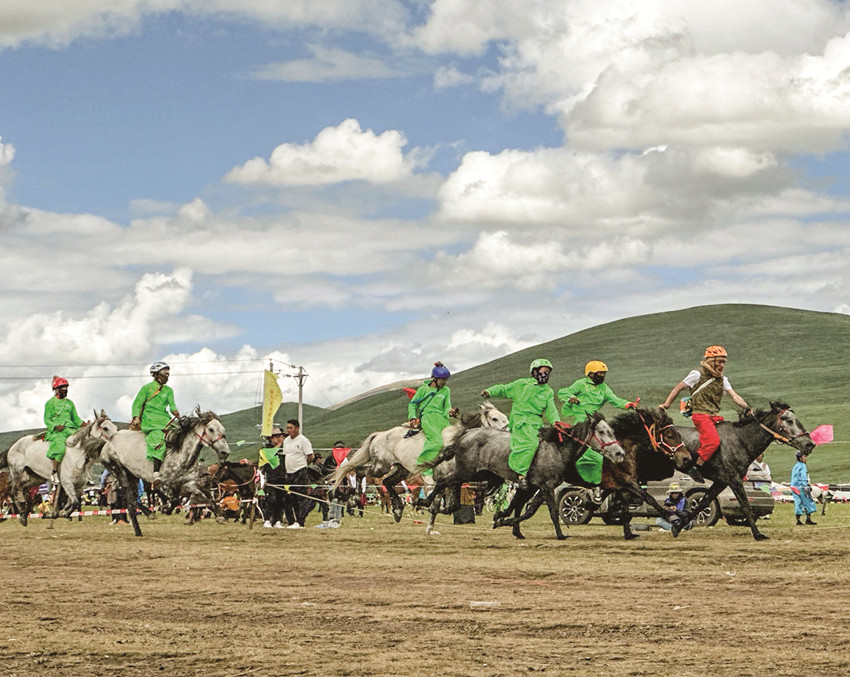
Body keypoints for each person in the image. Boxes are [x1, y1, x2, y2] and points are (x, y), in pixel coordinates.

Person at [659, 346, 751, 481]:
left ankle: (732, 468)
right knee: (713, 441)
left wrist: (746, 406)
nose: (721, 365)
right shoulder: (697, 375)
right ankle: (695, 467)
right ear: (710, 361)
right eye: (719, 361)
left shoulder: (723, 380)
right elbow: (678, 387)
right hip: (700, 415)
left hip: (715, 416)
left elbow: (734, 396)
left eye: (723, 362)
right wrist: (666, 404)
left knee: (731, 438)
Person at [482, 359, 561, 490]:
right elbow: (504, 389)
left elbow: (551, 409)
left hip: (536, 423)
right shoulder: (520, 384)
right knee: (531, 444)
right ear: (534, 372)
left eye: (547, 372)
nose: (545, 374)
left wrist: (556, 422)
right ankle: (521, 475)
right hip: (520, 421)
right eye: (543, 371)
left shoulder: (548, 391)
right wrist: (490, 391)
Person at [131, 362, 180, 489]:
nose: (167, 376)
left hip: (164, 418)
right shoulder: (146, 388)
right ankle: (156, 472)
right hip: (150, 419)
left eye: (168, 373)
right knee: (158, 438)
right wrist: (136, 417)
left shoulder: (169, 390)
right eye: (164, 373)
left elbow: (172, 405)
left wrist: (176, 413)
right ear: (156, 374)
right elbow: (137, 404)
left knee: (180, 435)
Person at [408, 362, 459, 475]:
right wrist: (412, 417)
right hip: (428, 418)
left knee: (453, 441)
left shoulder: (446, 390)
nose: (444, 382)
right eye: (442, 379)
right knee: (436, 442)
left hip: (442, 419)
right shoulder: (423, 389)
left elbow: (447, 407)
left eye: (446, 379)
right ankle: (423, 468)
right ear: (434, 379)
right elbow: (413, 404)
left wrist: (450, 412)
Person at [558, 361, 638, 425]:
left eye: (603, 373)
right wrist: (571, 398)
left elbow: (615, 400)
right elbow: (563, 392)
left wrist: (627, 404)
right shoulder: (581, 383)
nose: (602, 375)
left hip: (593, 418)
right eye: (600, 373)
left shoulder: (604, 387)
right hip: (577, 418)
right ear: (591, 374)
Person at [44, 376, 84, 486]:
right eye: (62, 388)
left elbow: (76, 418)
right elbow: (47, 419)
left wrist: (84, 424)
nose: (65, 390)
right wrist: (55, 426)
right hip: (58, 432)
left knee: (84, 445)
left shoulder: (70, 403)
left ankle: (83, 473)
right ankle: (54, 472)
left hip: (71, 429)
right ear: (56, 390)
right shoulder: (50, 403)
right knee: (60, 448)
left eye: (66, 388)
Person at [281, 419, 314, 528]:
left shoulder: (303, 440)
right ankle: (292, 521)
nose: (288, 430)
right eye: (287, 428)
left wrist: (303, 465)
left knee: (301, 497)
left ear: (297, 428)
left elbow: (310, 456)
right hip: (289, 472)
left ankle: (300, 521)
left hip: (300, 471)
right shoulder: (286, 441)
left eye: (290, 428)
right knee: (290, 498)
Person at [259, 426, 287, 528]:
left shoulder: (284, 449)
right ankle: (267, 519)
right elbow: (269, 455)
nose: (279, 439)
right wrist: (279, 444)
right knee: (272, 499)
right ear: (271, 438)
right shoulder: (266, 449)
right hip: (271, 477)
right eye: (277, 437)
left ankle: (278, 520)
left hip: (283, 476)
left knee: (281, 499)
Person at [791, 450, 817, 526]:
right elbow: (803, 477)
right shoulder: (803, 466)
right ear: (801, 458)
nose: (805, 458)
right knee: (807, 501)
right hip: (801, 487)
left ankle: (798, 520)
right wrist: (806, 486)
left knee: (798, 502)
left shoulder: (795, 466)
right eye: (804, 457)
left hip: (794, 486)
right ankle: (808, 519)